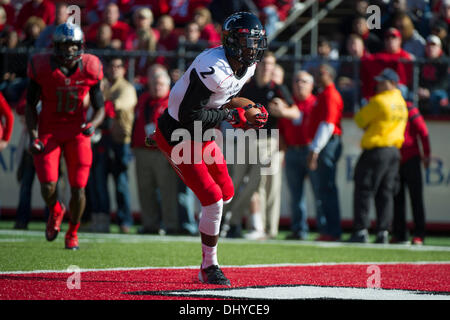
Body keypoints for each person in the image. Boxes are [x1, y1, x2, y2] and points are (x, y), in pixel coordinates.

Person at [152, 12, 268, 285]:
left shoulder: (246, 66)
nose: (252, 48)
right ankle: (209, 265)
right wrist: (231, 117)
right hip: (179, 134)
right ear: (230, 42)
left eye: (255, 41)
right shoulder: (212, 67)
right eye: (246, 41)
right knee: (214, 200)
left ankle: (208, 230)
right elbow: (187, 116)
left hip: (203, 136)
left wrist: (249, 108)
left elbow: (228, 96)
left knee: (227, 193)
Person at [24, 22, 105, 250]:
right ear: (56, 46)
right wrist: (33, 134)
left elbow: (100, 107)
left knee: (79, 186)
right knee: (48, 186)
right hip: (48, 130)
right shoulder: (41, 66)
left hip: (76, 131)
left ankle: (73, 232)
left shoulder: (90, 66)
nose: (69, 50)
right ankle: (56, 210)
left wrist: (94, 123)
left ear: (80, 46)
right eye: (65, 45)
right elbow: (30, 104)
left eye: (73, 45)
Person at [349, 68, 408, 244]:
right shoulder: (401, 102)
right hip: (393, 151)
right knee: (386, 192)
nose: (379, 85)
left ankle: (361, 230)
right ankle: (383, 231)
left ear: (392, 83)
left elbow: (359, 119)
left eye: (382, 82)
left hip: (377, 149)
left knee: (364, 189)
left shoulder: (379, 101)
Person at [132, 66, 179, 235]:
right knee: (145, 189)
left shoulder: (172, 102)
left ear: (168, 84)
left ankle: (171, 224)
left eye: (160, 83)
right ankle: (150, 224)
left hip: (163, 152)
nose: (156, 87)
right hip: (142, 150)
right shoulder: (144, 99)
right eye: (153, 83)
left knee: (167, 190)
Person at [279, 71, 322, 240]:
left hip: (310, 150)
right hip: (292, 151)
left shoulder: (316, 103)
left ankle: (324, 230)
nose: (299, 84)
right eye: (296, 81)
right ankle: (299, 229)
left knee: (319, 192)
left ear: (311, 85)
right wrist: (284, 150)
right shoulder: (288, 105)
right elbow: (281, 129)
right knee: (295, 195)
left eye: (304, 81)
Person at [307, 64, 343, 242]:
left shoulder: (330, 95)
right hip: (326, 144)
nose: (317, 76)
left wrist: (315, 150)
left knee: (327, 188)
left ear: (328, 74)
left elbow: (328, 124)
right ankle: (329, 229)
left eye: (320, 73)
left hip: (328, 144)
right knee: (325, 188)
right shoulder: (325, 94)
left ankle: (332, 230)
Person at [104, 57, 138, 234]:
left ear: (123, 70)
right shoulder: (105, 85)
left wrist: (101, 105)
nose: (115, 69)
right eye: (112, 65)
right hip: (103, 137)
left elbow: (116, 106)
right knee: (99, 181)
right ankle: (100, 218)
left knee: (121, 182)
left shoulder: (127, 88)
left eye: (118, 66)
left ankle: (125, 220)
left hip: (120, 139)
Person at [393, 102, 430, 245]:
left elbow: (422, 130)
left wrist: (426, 153)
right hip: (395, 157)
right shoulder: (390, 105)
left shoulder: (409, 107)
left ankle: (419, 233)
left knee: (416, 197)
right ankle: (400, 233)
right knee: (397, 198)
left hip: (411, 158)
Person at [418, 35, 449, 114]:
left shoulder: (445, 62)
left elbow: (445, 83)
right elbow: (417, 78)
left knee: (437, 96)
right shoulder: (420, 62)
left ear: (439, 48)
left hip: (440, 91)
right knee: (411, 95)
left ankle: (436, 123)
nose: (431, 48)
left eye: (434, 46)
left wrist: (430, 91)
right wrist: (419, 89)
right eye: (428, 45)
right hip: (423, 91)